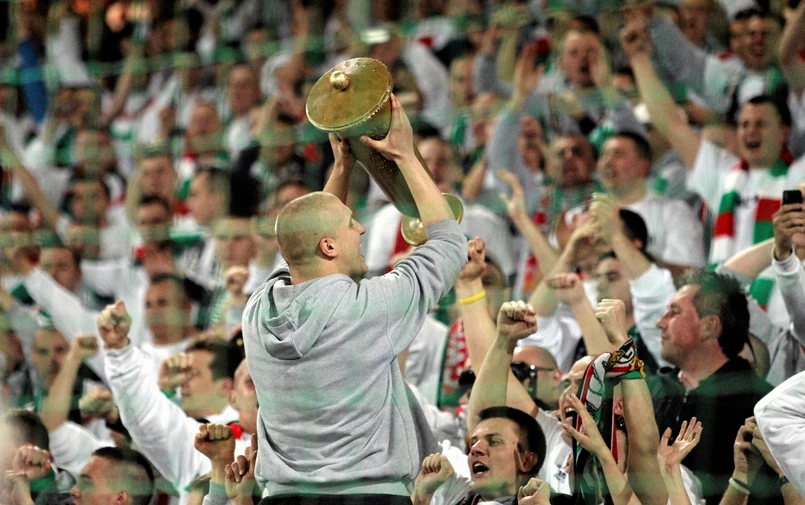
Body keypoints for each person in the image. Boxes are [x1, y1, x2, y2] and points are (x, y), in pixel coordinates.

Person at [242, 94, 466, 503]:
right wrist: (406, 156)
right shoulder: (369, 308)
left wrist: (343, 167)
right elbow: (449, 244)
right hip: (369, 496)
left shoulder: (256, 312)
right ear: (329, 246)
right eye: (350, 223)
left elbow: (301, 251)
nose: (361, 229)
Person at [649, 269, 776, 504]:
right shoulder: (651, 390)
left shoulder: (758, 407)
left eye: (674, 312)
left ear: (709, 327)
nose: (660, 323)